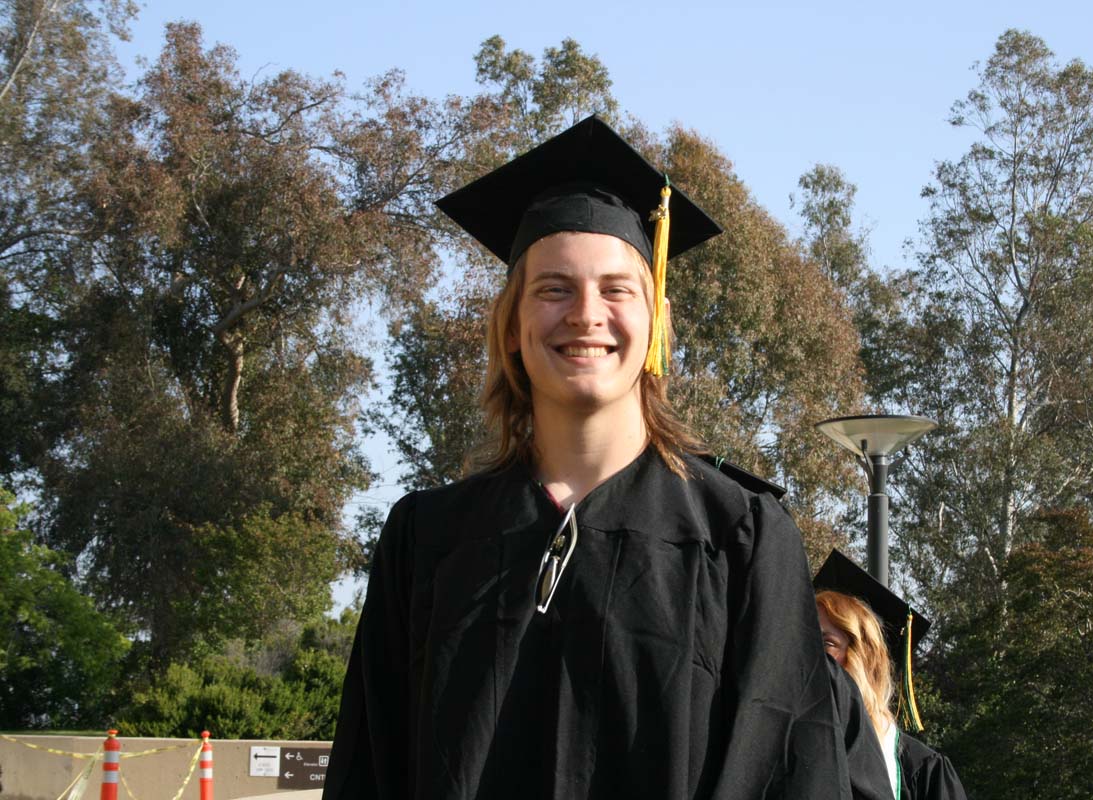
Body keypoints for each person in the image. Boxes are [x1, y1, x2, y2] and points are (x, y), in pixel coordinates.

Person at [322, 116, 878, 799]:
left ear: (656, 323)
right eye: (553, 289)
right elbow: (371, 770)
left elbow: (785, 767)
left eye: (617, 289)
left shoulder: (739, 537)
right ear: (514, 326)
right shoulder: (428, 538)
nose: (586, 314)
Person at [813, 550, 969, 800]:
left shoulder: (921, 771)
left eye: (826, 643)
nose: (810, 656)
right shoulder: (788, 748)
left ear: (865, 658)